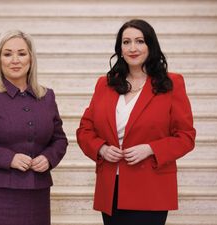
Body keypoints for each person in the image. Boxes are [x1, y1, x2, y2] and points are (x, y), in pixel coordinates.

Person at [76, 19, 196, 225]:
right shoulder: (105, 84)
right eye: (126, 42)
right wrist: (101, 148)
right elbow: (85, 130)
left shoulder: (172, 83)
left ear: (151, 45)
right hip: (111, 187)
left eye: (140, 41)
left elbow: (186, 137)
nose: (133, 48)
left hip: (151, 187)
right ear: (119, 48)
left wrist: (151, 148)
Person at [0, 30, 68, 225]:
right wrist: (8, 158)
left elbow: (59, 140)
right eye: (7, 54)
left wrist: (48, 158)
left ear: (31, 59)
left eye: (22, 53)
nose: (15, 60)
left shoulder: (47, 96)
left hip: (37, 192)